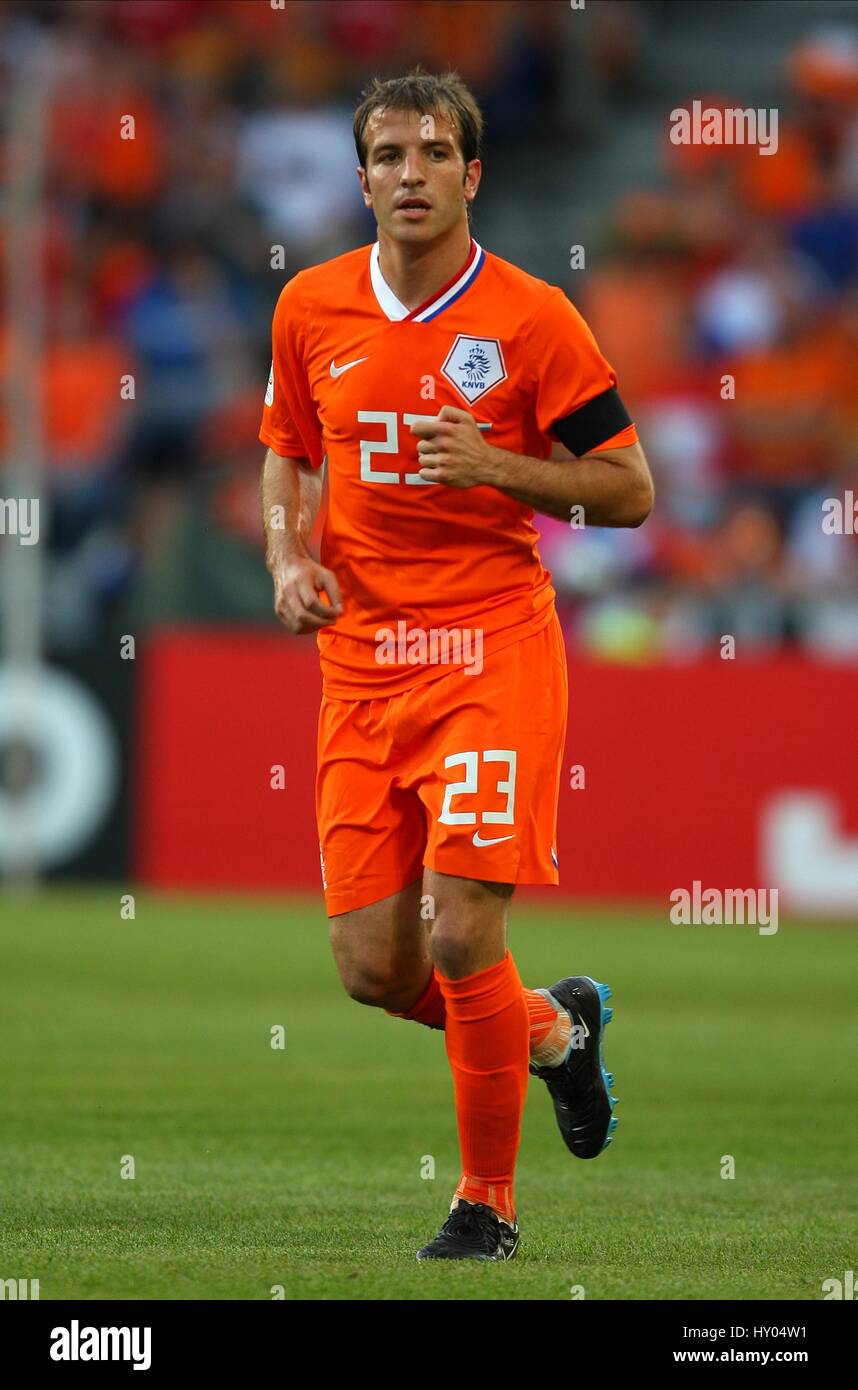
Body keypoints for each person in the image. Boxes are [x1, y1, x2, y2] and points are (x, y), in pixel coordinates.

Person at [259, 69, 653, 1262]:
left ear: (472, 175)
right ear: (363, 176)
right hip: (362, 666)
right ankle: (553, 1035)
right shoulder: (311, 308)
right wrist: (287, 559)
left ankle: (487, 1204)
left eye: (435, 153)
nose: (411, 173)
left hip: (490, 650)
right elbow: (288, 456)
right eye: (389, 154)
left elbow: (630, 490)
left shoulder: (534, 320)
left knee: (458, 934)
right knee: (373, 968)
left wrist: (500, 467)